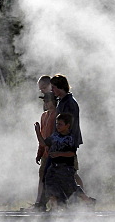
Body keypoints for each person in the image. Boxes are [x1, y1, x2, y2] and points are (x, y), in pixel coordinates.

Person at [50, 74, 97, 208]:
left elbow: (67, 126)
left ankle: (84, 201)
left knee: (66, 175)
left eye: (54, 87)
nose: (52, 91)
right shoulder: (63, 101)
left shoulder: (69, 103)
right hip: (63, 142)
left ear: (60, 87)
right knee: (62, 175)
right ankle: (73, 202)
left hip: (66, 144)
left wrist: (61, 143)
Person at [34, 112, 79, 210]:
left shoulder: (70, 138)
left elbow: (72, 153)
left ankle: (84, 201)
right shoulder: (54, 136)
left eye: (60, 124)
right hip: (54, 168)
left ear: (67, 126)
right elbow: (43, 143)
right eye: (57, 124)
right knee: (50, 187)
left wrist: (59, 154)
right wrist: (38, 131)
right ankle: (54, 209)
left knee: (70, 188)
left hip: (66, 168)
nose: (57, 126)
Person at [32, 90, 57, 210]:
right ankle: (40, 203)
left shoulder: (56, 114)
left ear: (54, 101)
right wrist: (40, 152)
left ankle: (53, 205)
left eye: (48, 100)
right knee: (42, 177)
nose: (45, 103)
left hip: (54, 153)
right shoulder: (44, 116)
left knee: (52, 179)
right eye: (44, 101)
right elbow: (42, 135)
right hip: (45, 154)